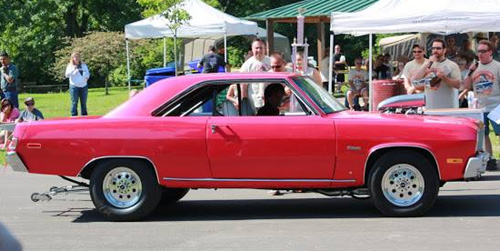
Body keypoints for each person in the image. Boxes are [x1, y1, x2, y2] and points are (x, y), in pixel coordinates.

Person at [463, 40, 500, 171]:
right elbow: (465, 86)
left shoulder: (497, 66)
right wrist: (470, 72)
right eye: (478, 51)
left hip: (496, 106)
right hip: (480, 107)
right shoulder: (475, 67)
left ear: (490, 52)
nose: (480, 54)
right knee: (483, 134)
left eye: (483, 51)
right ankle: (490, 158)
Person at [413, 38, 461, 109]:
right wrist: (428, 63)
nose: (435, 51)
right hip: (430, 108)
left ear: (444, 50)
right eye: (433, 48)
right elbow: (415, 80)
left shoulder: (452, 65)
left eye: (438, 48)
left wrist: (444, 77)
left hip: (447, 108)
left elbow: (458, 85)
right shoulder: (427, 64)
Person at [240, 38, 271, 110]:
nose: (259, 50)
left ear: (265, 49)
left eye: (261, 48)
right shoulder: (247, 64)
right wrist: (244, 103)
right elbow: (243, 86)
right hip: (255, 102)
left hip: (271, 100)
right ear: (252, 49)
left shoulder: (271, 61)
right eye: (256, 48)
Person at [65, 52, 90, 116]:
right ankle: (74, 116)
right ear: (72, 58)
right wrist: (73, 70)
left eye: (77, 57)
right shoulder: (70, 66)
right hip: (74, 86)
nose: (76, 58)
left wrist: (86, 78)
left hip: (83, 86)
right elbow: (66, 75)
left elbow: (87, 74)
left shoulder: (83, 65)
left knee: (83, 103)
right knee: (74, 102)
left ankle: (84, 117)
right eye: (75, 57)